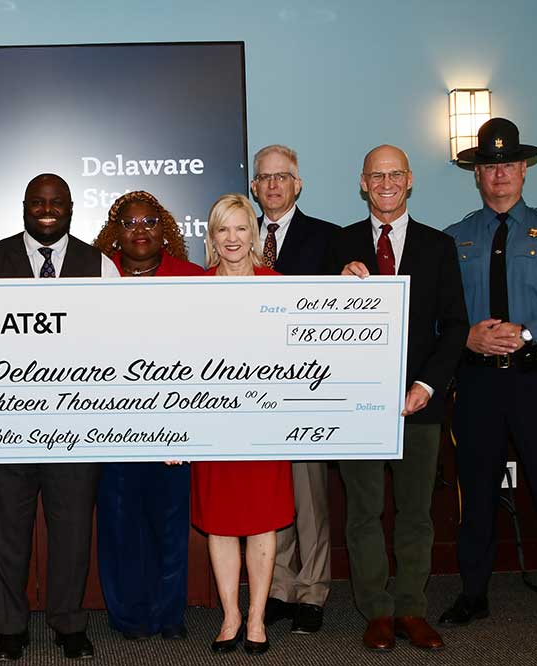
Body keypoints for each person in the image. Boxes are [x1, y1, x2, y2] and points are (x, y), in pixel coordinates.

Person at [441, 118, 537, 636]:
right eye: (489, 166)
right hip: (477, 382)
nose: (500, 173)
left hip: (536, 378)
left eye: (508, 164)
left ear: (524, 169)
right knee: (476, 488)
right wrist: (466, 338)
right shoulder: (454, 239)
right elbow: (437, 312)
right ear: (477, 175)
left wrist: (530, 332)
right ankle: (473, 593)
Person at [0, 173, 118, 661]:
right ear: (24, 206)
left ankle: (69, 623)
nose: (46, 209)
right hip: (1, 426)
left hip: (76, 428)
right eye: (38, 202)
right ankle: (9, 628)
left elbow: (120, 343)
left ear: (71, 208)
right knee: (3, 530)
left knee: (72, 531)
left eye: (57, 202)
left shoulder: (101, 265)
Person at [330, 145, 468, 652]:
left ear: (408, 181)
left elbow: (455, 326)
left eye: (394, 174)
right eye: (376, 175)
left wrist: (425, 386)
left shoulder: (438, 246)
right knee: (363, 510)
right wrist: (334, 290)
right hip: (356, 405)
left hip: (420, 403)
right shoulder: (338, 245)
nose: (385, 183)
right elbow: (312, 326)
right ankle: (377, 611)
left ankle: (411, 608)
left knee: (415, 512)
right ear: (363, 183)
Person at [91, 191, 203, 641]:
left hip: (174, 426)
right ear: (115, 231)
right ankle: (129, 616)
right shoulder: (94, 278)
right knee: (119, 525)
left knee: (170, 526)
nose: (140, 230)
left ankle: (168, 614)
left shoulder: (193, 278)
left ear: (166, 229)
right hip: (110, 425)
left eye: (150, 221)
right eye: (130, 222)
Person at [191, 192, 294, 655]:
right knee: (220, 524)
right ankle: (230, 614)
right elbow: (179, 364)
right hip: (213, 428)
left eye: (240, 228)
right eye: (222, 229)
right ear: (211, 237)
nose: (232, 238)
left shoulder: (279, 286)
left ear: (254, 234)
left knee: (261, 524)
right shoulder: (194, 291)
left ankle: (257, 618)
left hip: (264, 426)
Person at [249, 145, 339, 634]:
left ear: (297, 184)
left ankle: (313, 590)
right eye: (265, 178)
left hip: (306, 387)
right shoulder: (238, 238)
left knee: (309, 496)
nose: (274, 185)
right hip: (253, 391)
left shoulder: (327, 238)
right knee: (271, 491)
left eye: (282, 177)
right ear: (254, 187)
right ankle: (279, 586)